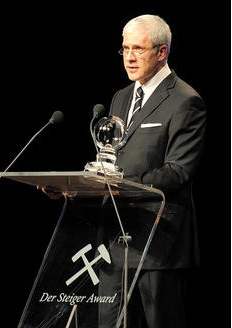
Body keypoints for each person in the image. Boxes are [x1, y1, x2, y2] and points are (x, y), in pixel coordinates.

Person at [94, 14, 206, 327]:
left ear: (162, 52)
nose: (129, 57)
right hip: (116, 240)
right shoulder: (121, 97)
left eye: (138, 49)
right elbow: (111, 156)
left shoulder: (186, 101)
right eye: (125, 49)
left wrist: (123, 183)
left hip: (159, 243)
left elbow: (178, 171)